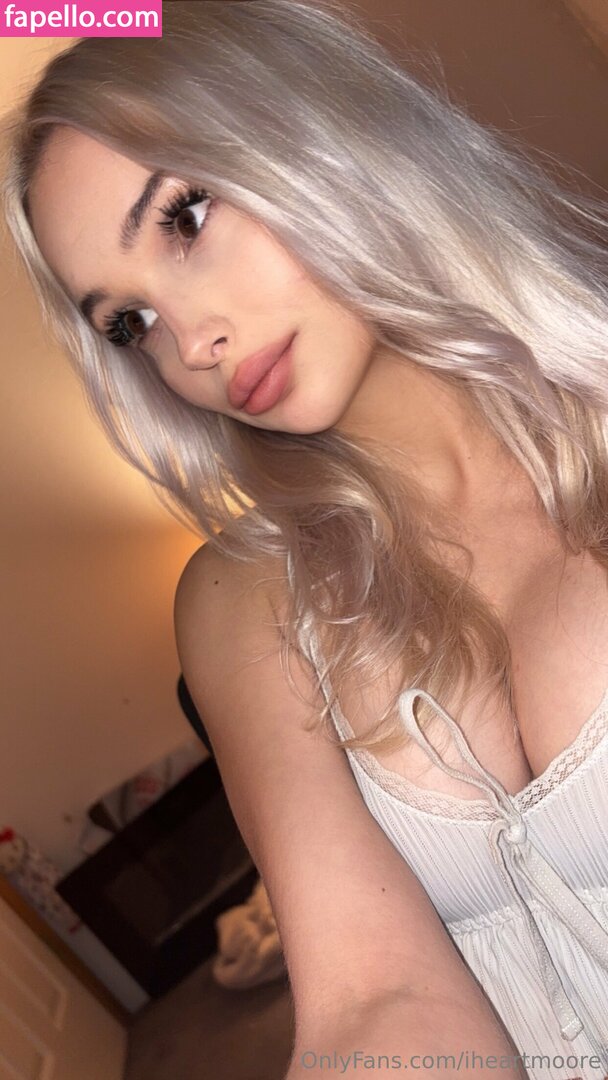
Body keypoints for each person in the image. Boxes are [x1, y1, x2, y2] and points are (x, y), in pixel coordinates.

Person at [3, 2, 608, 1075]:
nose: (192, 342)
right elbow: (372, 997)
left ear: (308, 123)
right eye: (129, 323)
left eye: (186, 214)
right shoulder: (239, 600)